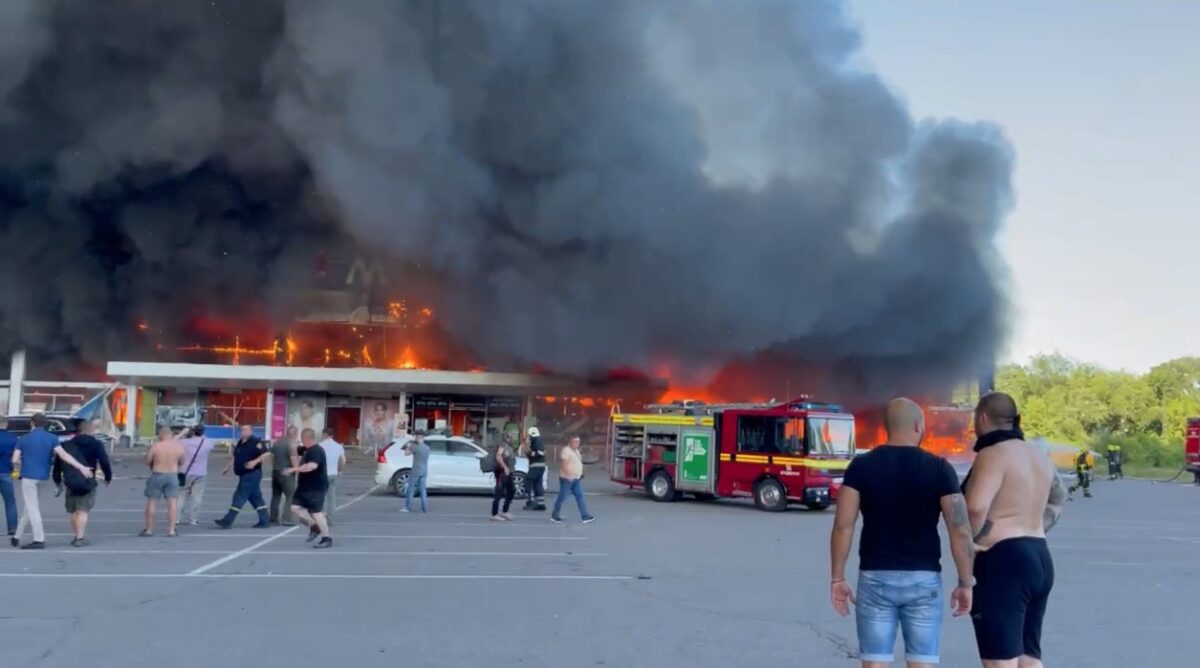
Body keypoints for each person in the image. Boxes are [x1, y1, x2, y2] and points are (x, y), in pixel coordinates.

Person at [829, 398, 974, 668]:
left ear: (887, 428)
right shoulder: (940, 468)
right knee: (922, 662)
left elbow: (843, 525)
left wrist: (837, 577)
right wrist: (966, 583)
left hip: (875, 577)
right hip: (924, 579)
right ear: (918, 426)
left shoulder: (861, 467)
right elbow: (959, 529)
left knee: (875, 662)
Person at [963, 392, 1066, 668]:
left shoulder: (992, 454)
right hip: (1040, 556)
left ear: (982, 418)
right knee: (1028, 657)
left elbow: (974, 508)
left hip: (1004, 561)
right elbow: (1059, 498)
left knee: (1000, 661)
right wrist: (1033, 527)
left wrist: (972, 542)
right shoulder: (1038, 455)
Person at [11, 413, 94, 549]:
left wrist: (21, 463)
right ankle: (17, 536)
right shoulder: (52, 438)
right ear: (45, 424)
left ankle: (39, 539)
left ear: (32, 423)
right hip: (43, 477)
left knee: (32, 508)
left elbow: (15, 459)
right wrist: (81, 467)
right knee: (30, 506)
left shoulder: (24, 439)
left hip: (28, 477)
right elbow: (63, 455)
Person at [53, 419, 113, 547]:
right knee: (83, 510)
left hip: (71, 481)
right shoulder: (96, 444)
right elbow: (104, 461)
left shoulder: (67, 444)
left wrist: (57, 480)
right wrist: (108, 476)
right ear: (90, 430)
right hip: (88, 480)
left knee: (74, 510)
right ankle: (80, 538)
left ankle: (76, 535)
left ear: (78, 430)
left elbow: (58, 464)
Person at [215, 425, 271, 529]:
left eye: (245, 430)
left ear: (250, 430)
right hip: (243, 474)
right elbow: (236, 456)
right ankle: (265, 520)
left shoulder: (256, 441)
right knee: (256, 498)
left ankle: (227, 520)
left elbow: (266, 454)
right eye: (241, 430)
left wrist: (255, 462)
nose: (242, 431)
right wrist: (228, 467)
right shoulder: (240, 442)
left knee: (239, 495)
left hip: (252, 474)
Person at [285, 428, 332, 549]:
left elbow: (312, 466)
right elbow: (298, 451)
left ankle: (327, 538)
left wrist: (294, 469)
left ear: (306, 438)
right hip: (304, 488)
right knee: (294, 507)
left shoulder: (316, 451)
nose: (301, 441)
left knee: (317, 513)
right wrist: (295, 446)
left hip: (316, 487)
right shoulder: (307, 450)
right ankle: (313, 526)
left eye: (302, 438)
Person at [142, 425, 185, 537]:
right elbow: (182, 461)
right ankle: (171, 530)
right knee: (172, 504)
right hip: (172, 475)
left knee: (152, 502)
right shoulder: (178, 447)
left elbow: (147, 461)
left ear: (161, 434)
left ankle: (149, 530)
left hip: (158, 474)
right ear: (170, 434)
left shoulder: (156, 446)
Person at [550, 436, 595, 524]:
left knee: (580, 496)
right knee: (562, 497)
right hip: (567, 479)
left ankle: (585, 516)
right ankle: (555, 515)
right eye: (575, 442)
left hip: (576, 478)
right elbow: (564, 464)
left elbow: (578, 462)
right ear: (570, 441)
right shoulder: (566, 450)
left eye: (578, 442)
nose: (577, 443)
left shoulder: (576, 451)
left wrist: (581, 471)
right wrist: (568, 475)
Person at [178, 425, 216, 527]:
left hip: (184, 472)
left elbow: (172, 443)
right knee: (197, 497)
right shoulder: (207, 443)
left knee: (181, 495)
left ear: (193, 432)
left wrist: (183, 433)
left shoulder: (184, 442)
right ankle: (193, 519)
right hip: (200, 473)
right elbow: (211, 444)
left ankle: (177, 518)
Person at [269, 426, 300, 525]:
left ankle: (273, 518)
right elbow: (293, 458)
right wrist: (297, 469)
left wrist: (274, 467)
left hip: (276, 471)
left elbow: (271, 456)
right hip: (286, 472)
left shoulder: (277, 442)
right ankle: (287, 518)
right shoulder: (291, 444)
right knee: (291, 495)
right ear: (295, 434)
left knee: (276, 496)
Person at [319, 428, 345, 524]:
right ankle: (330, 520)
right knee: (331, 498)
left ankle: (319, 518)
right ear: (332, 435)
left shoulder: (320, 446)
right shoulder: (339, 446)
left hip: (322, 474)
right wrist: (339, 471)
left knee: (320, 496)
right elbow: (342, 461)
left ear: (324, 434)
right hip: (334, 474)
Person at [401, 432, 430, 513]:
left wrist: (408, 446)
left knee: (411, 489)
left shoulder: (416, 447)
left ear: (418, 438)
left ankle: (408, 507)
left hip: (416, 470)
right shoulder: (427, 448)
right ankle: (424, 507)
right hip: (424, 471)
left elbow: (406, 453)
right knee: (423, 490)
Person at [490, 439, 517, 521]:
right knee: (499, 492)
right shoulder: (503, 445)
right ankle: (494, 514)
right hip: (502, 473)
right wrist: (505, 467)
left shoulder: (509, 447)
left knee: (511, 490)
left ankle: (505, 511)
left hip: (509, 472)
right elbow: (498, 456)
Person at [521, 426, 547, 511]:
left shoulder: (537, 441)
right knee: (537, 484)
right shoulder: (538, 440)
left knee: (528, 480)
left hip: (536, 465)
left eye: (529, 435)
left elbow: (540, 453)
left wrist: (529, 453)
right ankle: (540, 503)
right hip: (540, 466)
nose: (529, 437)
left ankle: (530, 501)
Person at [0, 417, 17, 540]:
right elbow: (15, 456)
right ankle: (12, 528)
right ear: (6, 424)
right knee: (10, 502)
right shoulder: (13, 438)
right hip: (5, 471)